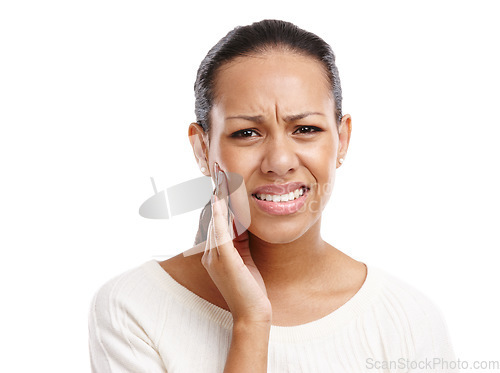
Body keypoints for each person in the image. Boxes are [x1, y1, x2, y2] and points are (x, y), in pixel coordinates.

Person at [88, 19, 458, 372]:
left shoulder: (407, 320)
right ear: (203, 149)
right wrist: (251, 323)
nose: (279, 162)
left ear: (342, 139)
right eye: (247, 133)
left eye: (306, 128)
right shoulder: (134, 308)